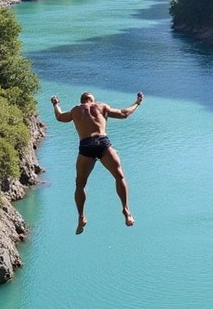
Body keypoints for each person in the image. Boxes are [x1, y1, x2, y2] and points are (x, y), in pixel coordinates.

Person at [51, 90, 144, 234]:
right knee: (119, 176)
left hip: (86, 146)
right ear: (92, 100)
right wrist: (137, 103)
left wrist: (55, 104)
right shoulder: (101, 106)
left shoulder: (76, 110)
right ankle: (126, 211)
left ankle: (81, 216)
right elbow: (124, 113)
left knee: (80, 184)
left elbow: (59, 117)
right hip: (103, 144)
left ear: (82, 101)